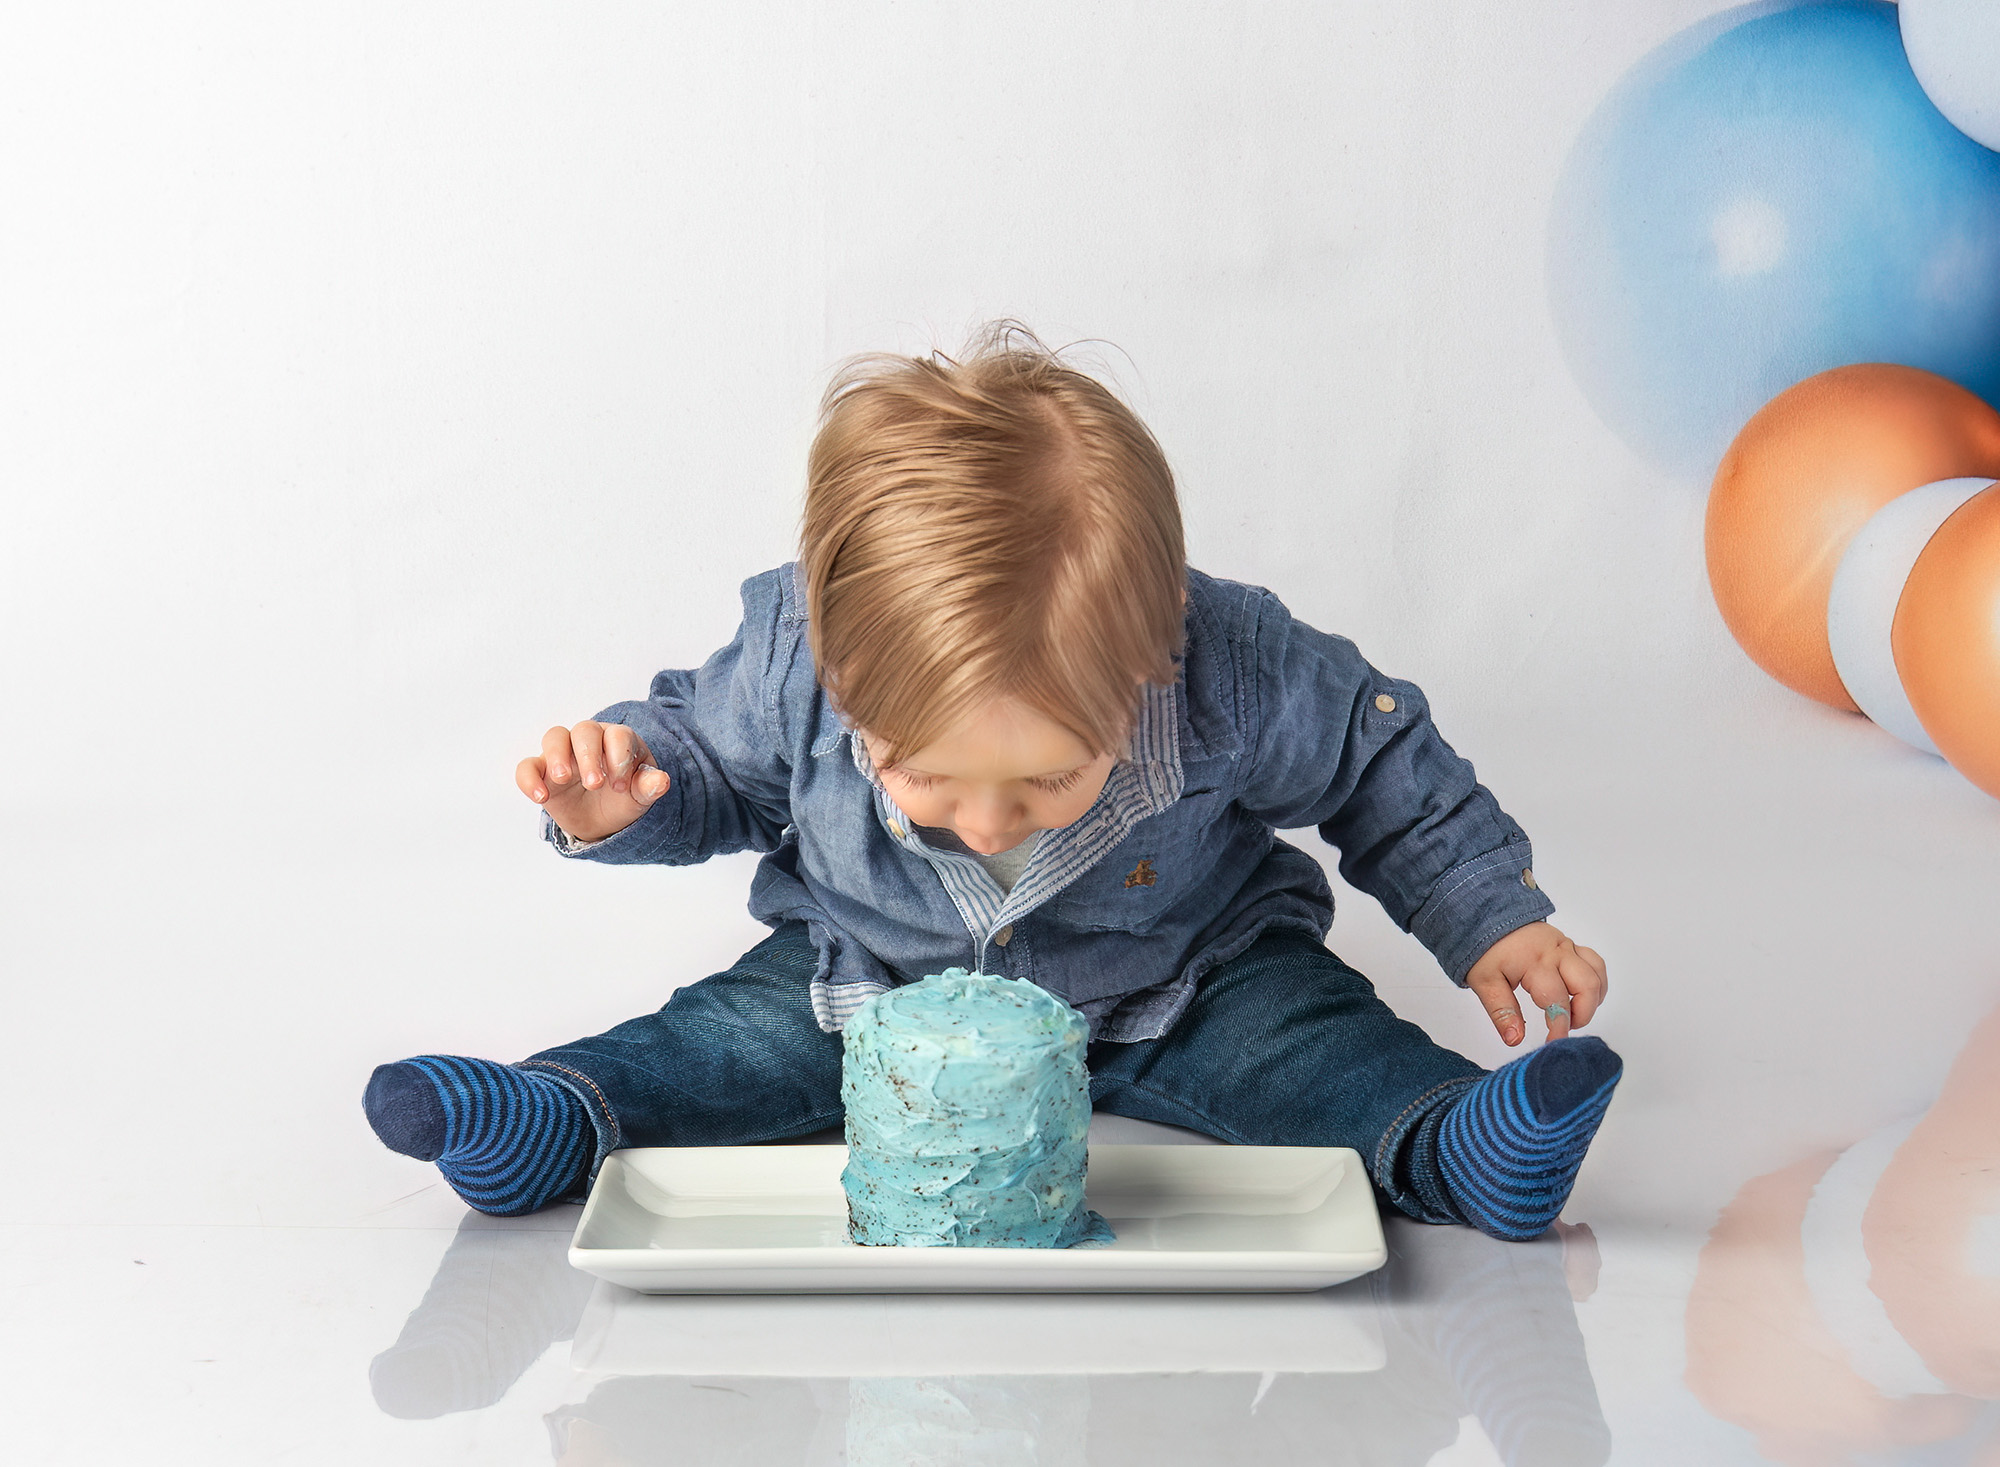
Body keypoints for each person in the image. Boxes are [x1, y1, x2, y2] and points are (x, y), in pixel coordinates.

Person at [362, 324, 1620, 1242]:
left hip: (1186, 977)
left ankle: (1461, 1146)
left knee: (1319, 1056)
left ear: (1145, 662)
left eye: (1043, 778)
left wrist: (1485, 912)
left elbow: (1372, 755)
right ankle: (546, 1118)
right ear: (843, 675)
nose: (980, 820)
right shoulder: (796, 658)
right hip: (865, 978)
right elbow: (709, 767)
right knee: (711, 1048)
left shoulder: (1224, 665)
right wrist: (623, 801)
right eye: (921, 775)